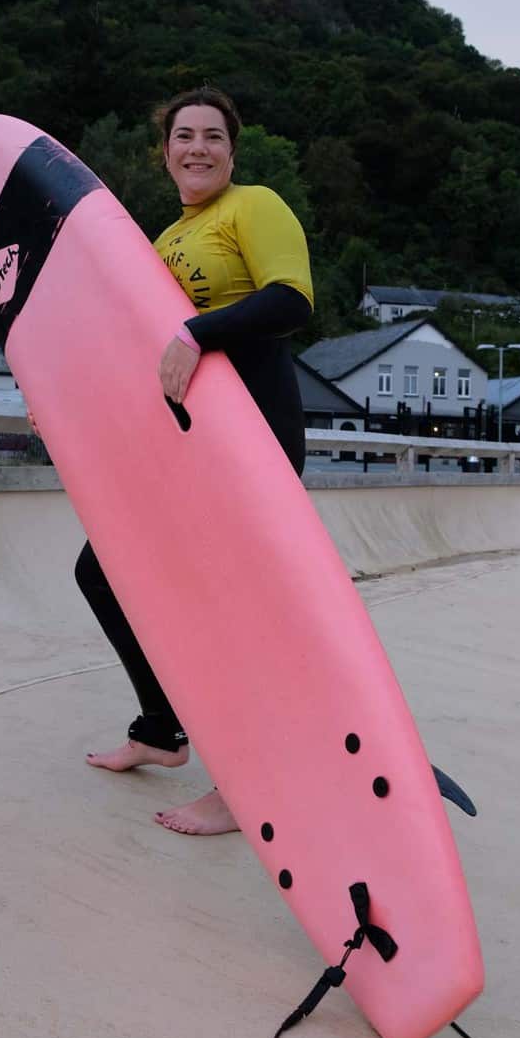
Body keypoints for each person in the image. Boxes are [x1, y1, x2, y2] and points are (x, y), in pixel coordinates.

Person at [77, 86, 314, 833]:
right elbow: (139, 346)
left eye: (213, 136)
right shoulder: (164, 240)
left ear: (232, 150)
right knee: (100, 567)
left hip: (252, 435)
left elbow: (291, 301)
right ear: (167, 150)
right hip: (188, 441)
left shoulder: (255, 206)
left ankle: (244, 789)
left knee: (225, 615)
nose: (198, 148)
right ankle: (160, 731)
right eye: (184, 136)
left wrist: (198, 331)